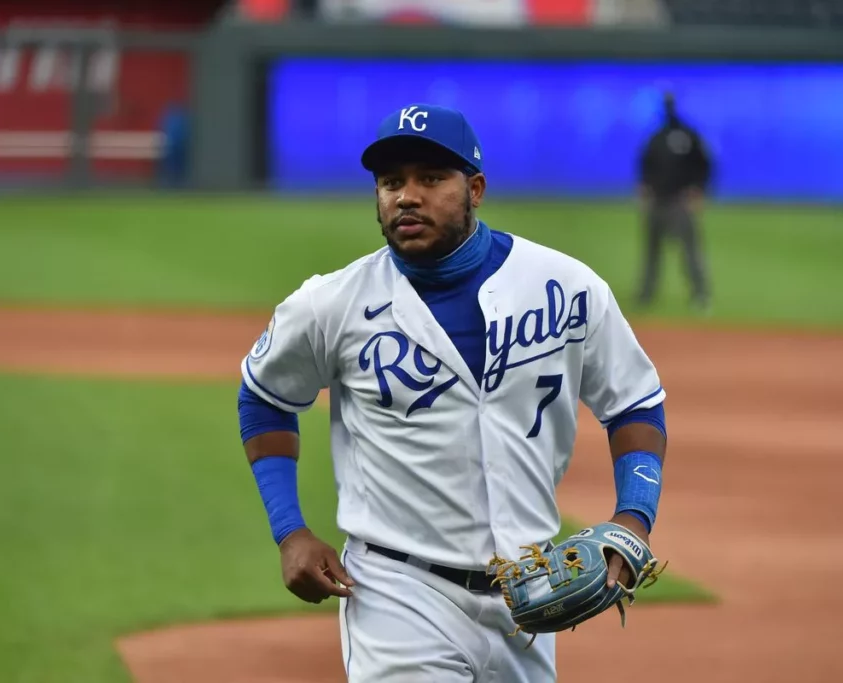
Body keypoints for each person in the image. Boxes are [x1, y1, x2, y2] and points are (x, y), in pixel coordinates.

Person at [237, 103, 669, 682]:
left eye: (431, 178)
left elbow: (635, 402)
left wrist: (635, 516)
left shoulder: (566, 287)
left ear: (476, 189)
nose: (406, 197)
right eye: (391, 182)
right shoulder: (330, 304)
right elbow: (264, 397)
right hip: (396, 594)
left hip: (530, 598)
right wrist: (290, 531)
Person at [636, 90, 714, 312]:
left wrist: (698, 189)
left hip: (680, 200)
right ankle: (646, 294)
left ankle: (700, 294)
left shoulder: (688, 136)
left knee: (690, 251)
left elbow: (704, 164)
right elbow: (645, 165)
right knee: (652, 252)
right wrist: (644, 188)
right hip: (658, 200)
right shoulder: (657, 137)